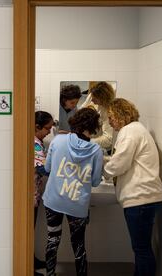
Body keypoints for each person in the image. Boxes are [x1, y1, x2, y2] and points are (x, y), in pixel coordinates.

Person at [103, 98, 162, 276]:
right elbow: (128, 159)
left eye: (111, 117)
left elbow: (120, 163)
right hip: (145, 197)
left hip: (140, 198)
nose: (109, 121)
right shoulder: (137, 129)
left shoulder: (129, 132)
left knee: (141, 249)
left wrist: (104, 171)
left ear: (121, 115)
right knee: (141, 248)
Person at [42, 108, 104, 276]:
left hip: (53, 200)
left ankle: (50, 274)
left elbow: (47, 168)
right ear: (93, 127)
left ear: (75, 122)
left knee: (52, 239)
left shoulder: (58, 141)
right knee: (78, 244)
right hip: (77, 204)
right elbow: (96, 181)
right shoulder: (96, 151)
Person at [34, 111, 55, 275]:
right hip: (30, 195)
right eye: (47, 128)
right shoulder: (34, 143)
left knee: (30, 229)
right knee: (28, 228)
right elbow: (42, 168)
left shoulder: (38, 142)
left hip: (35, 192)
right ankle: (28, 265)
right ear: (36, 127)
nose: (49, 132)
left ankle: (31, 260)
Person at [80, 81, 115, 152]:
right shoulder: (92, 95)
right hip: (87, 139)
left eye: (95, 99)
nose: (92, 100)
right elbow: (81, 112)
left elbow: (108, 139)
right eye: (91, 97)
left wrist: (87, 142)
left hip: (100, 147)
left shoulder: (109, 112)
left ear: (103, 99)